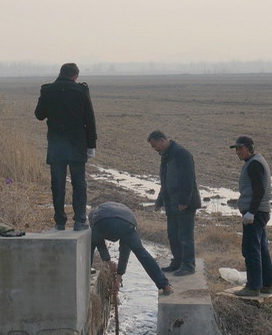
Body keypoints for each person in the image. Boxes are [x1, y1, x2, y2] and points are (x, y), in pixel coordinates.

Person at [34, 63, 97, 231]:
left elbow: (39, 115)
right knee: (79, 183)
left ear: (60, 73)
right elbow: (90, 120)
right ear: (75, 76)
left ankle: (60, 222)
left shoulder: (48, 90)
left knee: (57, 184)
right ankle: (80, 220)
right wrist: (91, 145)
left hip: (56, 145)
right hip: (77, 144)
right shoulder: (81, 91)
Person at [147, 130, 202, 276]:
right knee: (173, 235)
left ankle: (188, 265)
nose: (154, 149)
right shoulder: (165, 155)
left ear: (162, 140)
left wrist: (184, 201)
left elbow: (188, 179)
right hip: (171, 202)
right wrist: (159, 201)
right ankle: (177, 262)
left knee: (185, 236)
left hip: (184, 204)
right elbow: (165, 181)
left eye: (155, 145)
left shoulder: (182, 154)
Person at [89, 202, 173, 296]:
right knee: (141, 253)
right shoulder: (107, 211)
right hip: (128, 223)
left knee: (91, 241)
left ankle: (87, 272)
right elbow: (124, 252)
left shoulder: (94, 216)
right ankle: (165, 285)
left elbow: (98, 241)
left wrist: (108, 262)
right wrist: (118, 276)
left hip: (105, 221)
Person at [230, 135, 272, 297]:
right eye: (236, 149)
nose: (237, 152)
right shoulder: (255, 161)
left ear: (249, 148)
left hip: (256, 213)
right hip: (260, 212)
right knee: (261, 248)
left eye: (240, 148)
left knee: (250, 249)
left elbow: (259, 190)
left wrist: (251, 212)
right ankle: (267, 284)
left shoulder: (254, 164)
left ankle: (253, 287)